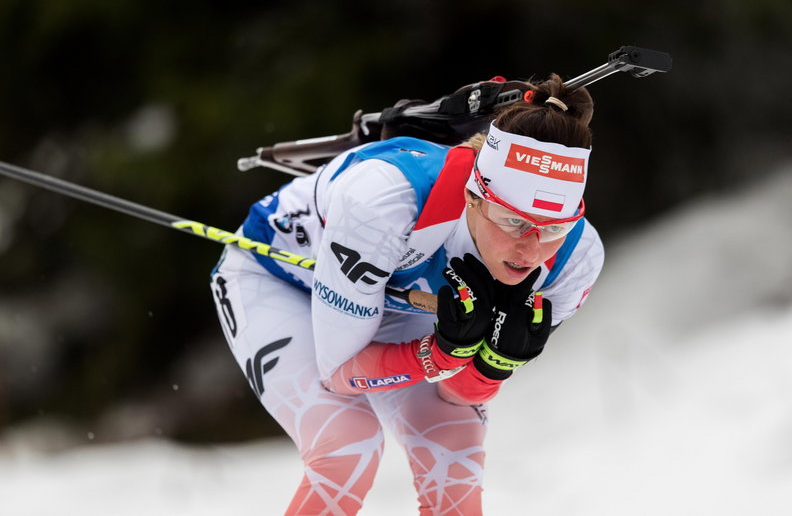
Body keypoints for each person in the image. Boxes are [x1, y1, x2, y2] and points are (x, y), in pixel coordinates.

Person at [210, 73, 604, 515]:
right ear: (474, 195)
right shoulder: (386, 201)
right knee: (346, 446)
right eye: (512, 221)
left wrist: (490, 368)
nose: (531, 248)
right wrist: (438, 354)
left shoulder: (575, 259)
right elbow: (339, 371)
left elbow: (457, 397)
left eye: (553, 227)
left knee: (454, 450)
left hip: (397, 299)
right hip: (280, 279)